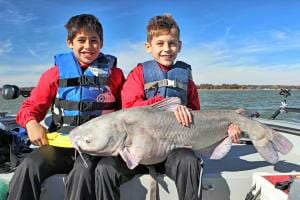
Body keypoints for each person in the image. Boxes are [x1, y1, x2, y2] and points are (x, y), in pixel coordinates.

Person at [94, 14, 241, 200]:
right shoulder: (138, 74)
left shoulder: (186, 78)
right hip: (135, 150)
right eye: (160, 44)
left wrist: (225, 130)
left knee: (189, 161)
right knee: (105, 169)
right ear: (149, 47)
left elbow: (198, 117)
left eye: (172, 44)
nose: (167, 49)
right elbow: (128, 108)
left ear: (179, 46)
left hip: (172, 151)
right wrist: (165, 107)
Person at [7, 14, 125, 200]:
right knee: (29, 166)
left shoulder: (115, 75)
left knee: (82, 173)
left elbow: (127, 109)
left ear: (101, 44)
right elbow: (31, 105)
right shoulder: (54, 74)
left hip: (96, 147)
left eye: (94, 40)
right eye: (81, 40)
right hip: (60, 143)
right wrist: (31, 123)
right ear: (70, 42)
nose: (88, 46)